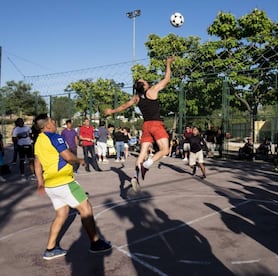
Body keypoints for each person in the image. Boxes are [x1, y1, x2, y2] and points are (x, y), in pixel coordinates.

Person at [33, 113, 111, 260]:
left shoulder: (39, 140)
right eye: (52, 120)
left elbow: (37, 162)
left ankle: (50, 249)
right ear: (47, 125)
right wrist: (80, 160)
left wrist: (40, 182)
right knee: (86, 208)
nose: (55, 122)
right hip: (64, 182)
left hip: (51, 184)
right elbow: (68, 157)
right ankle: (95, 243)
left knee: (61, 214)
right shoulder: (54, 137)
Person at [104, 56, 175, 192]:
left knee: (142, 153)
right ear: (144, 86)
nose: (146, 81)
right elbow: (167, 79)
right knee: (165, 150)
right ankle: (147, 165)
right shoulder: (152, 91)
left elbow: (125, 105)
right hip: (155, 124)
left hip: (146, 126)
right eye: (144, 81)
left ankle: (135, 176)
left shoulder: (136, 98)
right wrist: (167, 64)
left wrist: (111, 111)